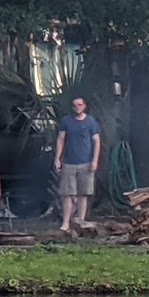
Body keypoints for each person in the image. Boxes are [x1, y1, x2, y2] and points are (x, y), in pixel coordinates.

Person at [54, 96, 102, 234]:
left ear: (84, 106)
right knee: (67, 194)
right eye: (75, 105)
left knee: (83, 194)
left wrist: (95, 160)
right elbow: (61, 139)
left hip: (86, 163)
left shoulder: (91, 122)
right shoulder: (66, 121)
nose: (77, 107)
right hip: (68, 163)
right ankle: (65, 223)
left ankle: (80, 221)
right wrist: (57, 158)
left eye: (79, 105)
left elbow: (96, 142)